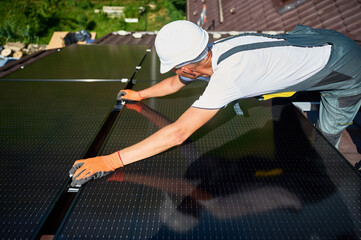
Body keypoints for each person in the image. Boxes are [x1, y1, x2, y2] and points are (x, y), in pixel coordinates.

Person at [69, 20, 361, 187]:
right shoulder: (214, 50)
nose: (175, 73)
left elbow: (178, 133)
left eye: (175, 68)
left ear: (187, 66)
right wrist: (141, 96)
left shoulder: (230, 76)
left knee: (323, 137)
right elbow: (176, 83)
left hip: (345, 67)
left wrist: (110, 161)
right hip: (320, 42)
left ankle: (324, 175)